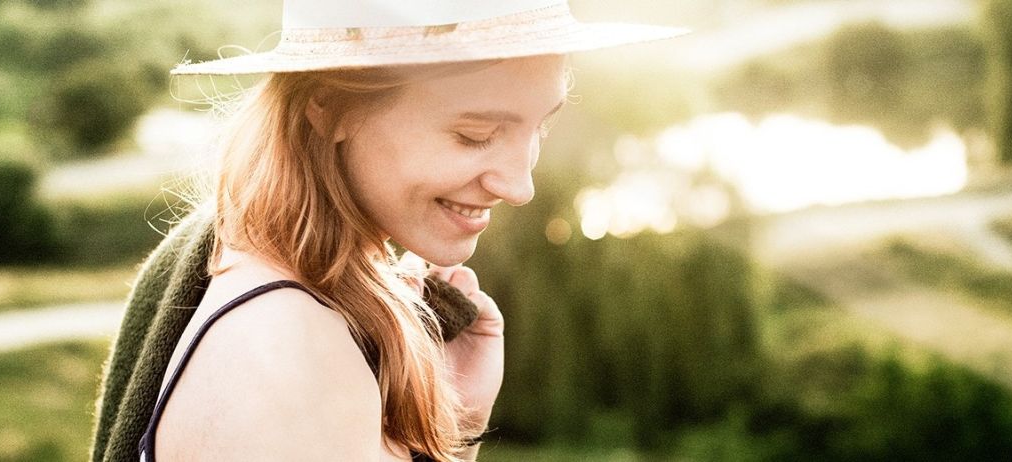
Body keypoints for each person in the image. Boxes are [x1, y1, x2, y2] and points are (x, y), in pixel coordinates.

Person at [88, 1, 686, 461]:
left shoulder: (250, 267)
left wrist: (454, 422)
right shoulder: (294, 351)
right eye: (475, 135)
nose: (519, 185)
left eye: (540, 129)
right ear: (329, 106)